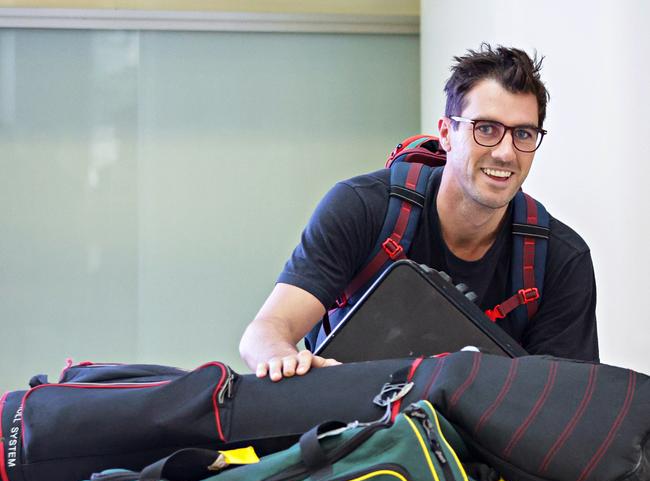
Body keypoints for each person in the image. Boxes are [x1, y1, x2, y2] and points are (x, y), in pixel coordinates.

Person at [240, 44, 599, 381]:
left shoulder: (562, 259)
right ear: (446, 133)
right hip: (347, 427)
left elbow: (564, 404)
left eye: (523, 133)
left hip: (477, 442)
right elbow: (266, 331)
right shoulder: (362, 208)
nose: (506, 152)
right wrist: (283, 362)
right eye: (485, 129)